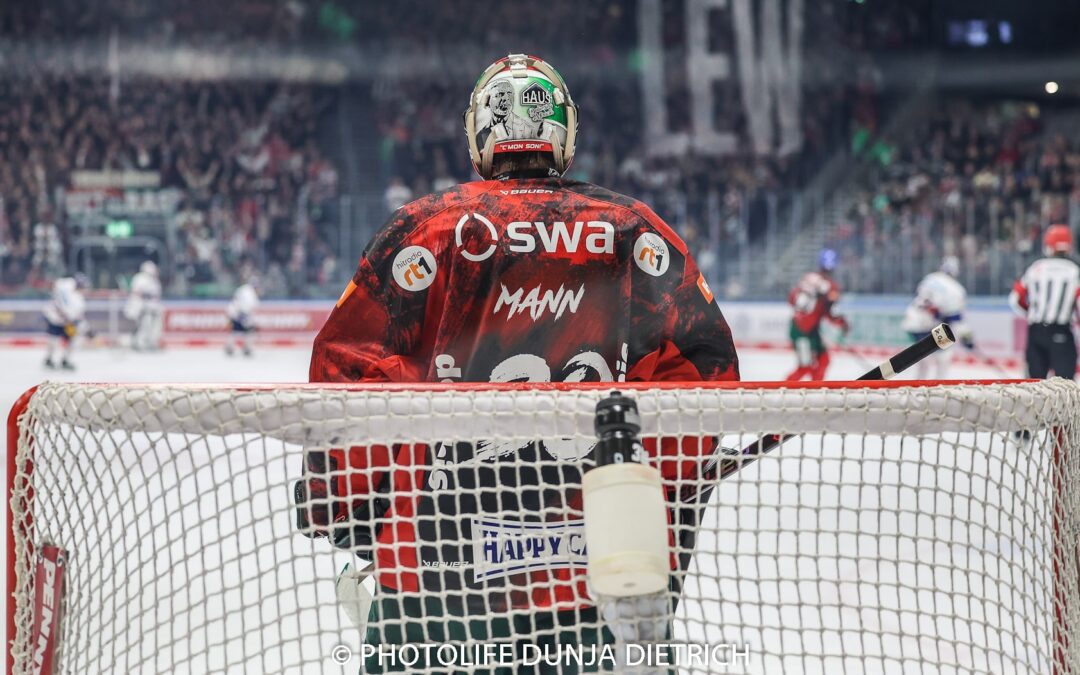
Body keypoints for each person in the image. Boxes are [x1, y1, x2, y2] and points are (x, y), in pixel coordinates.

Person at [294, 54, 740, 672]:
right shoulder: (632, 230)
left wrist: (341, 502)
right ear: (564, 132)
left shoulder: (426, 229)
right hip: (591, 573)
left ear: (481, 133)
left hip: (430, 579)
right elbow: (702, 377)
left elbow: (351, 381)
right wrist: (656, 484)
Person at [1009, 224, 1080, 380]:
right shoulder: (1075, 270)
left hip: (1036, 332)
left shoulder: (1035, 267)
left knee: (1034, 387)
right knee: (1065, 388)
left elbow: (1015, 299)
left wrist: (1031, 313)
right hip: (1061, 331)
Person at [901, 256, 976, 379]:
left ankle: (918, 388)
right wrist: (966, 337)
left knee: (923, 361)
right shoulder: (956, 290)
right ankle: (938, 386)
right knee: (944, 356)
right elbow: (956, 319)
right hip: (930, 326)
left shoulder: (930, 278)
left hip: (913, 322)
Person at [785, 249, 850, 381]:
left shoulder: (808, 277)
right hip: (803, 331)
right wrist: (843, 324)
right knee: (806, 366)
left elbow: (791, 299)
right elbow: (831, 312)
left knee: (822, 359)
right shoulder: (831, 286)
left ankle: (816, 389)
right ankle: (780, 392)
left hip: (801, 327)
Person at [42, 273, 89, 370]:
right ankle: (49, 359)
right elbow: (54, 286)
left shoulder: (80, 300)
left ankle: (65, 360)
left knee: (74, 340)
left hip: (67, 323)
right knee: (53, 341)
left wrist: (86, 328)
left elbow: (77, 316)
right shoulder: (66, 283)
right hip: (54, 319)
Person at [125, 261, 164, 351]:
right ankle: (140, 344)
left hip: (153, 306)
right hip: (142, 306)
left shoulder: (154, 279)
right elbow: (137, 292)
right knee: (144, 326)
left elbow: (157, 294)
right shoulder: (140, 278)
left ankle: (151, 343)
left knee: (153, 327)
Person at [225, 278, 259, 357]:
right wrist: (244, 317)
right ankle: (246, 348)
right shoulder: (249, 293)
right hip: (239, 313)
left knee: (235, 331)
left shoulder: (244, 289)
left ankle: (230, 347)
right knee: (248, 331)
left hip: (235, 312)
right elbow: (246, 306)